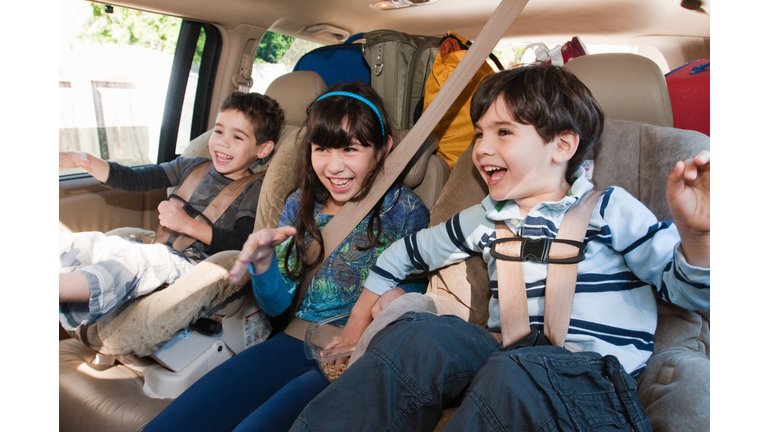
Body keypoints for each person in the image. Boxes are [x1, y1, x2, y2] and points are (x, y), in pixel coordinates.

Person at [290, 65, 710, 432]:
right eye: (479, 134)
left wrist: (697, 237)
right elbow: (401, 254)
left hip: (593, 379)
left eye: (503, 132)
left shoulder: (609, 207)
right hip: (508, 359)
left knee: (515, 371)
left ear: (562, 145)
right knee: (421, 334)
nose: (482, 148)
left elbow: (689, 293)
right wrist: (355, 324)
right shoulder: (485, 218)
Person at [143, 82, 431, 432]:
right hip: (291, 340)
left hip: (354, 355)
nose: (334, 167)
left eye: (351, 150)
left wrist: (387, 303)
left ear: (382, 149)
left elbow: (410, 302)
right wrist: (263, 265)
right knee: (177, 422)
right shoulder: (300, 203)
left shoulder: (406, 210)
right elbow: (278, 306)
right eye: (322, 149)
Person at [58, 91, 284, 331]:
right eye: (218, 131)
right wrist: (88, 162)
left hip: (197, 268)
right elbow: (136, 179)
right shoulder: (192, 166)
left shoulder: (253, 189)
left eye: (237, 137)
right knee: (96, 243)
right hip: (162, 251)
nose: (222, 142)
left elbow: (241, 243)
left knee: (143, 259)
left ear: (263, 149)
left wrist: (188, 225)